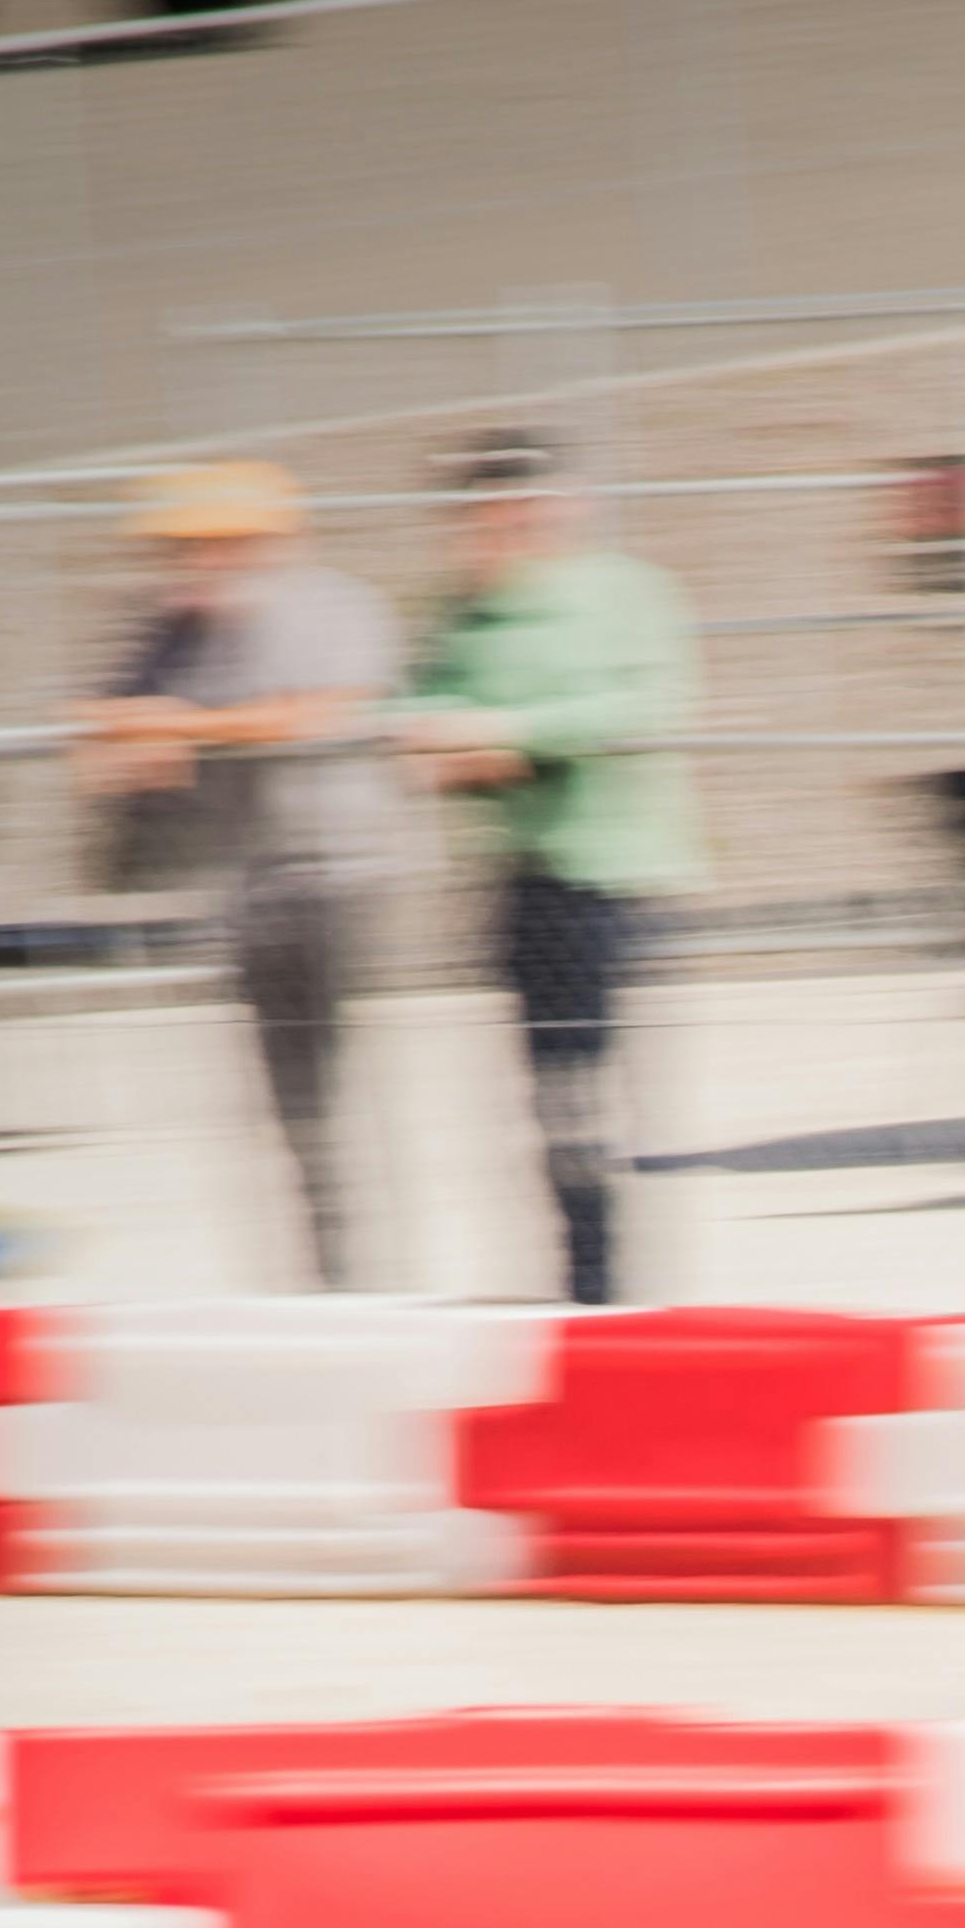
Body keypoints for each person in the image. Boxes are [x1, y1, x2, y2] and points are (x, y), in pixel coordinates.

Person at [72, 455, 406, 1290]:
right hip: (247, 884)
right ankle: (322, 1283)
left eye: (219, 544)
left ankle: (365, 1283)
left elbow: (320, 712)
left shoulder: (336, 608)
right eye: (184, 548)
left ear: (272, 540)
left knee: (335, 1099)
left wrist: (190, 725)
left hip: (337, 875)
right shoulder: (172, 631)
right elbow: (104, 726)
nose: (198, 563)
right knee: (290, 1109)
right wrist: (129, 733)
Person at [387, 429, 702, 1308]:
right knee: (552, 1098)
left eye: (524, 507)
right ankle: (578, 1284)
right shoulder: (463, 610)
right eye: (486, 512)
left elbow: (643, 703)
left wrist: (509, 734)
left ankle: (612, 1289)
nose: (509, 527)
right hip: (518, 876)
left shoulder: (628, 594)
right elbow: (419, 701)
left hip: (610, 874)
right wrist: (440, 733)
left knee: (595, 1097)